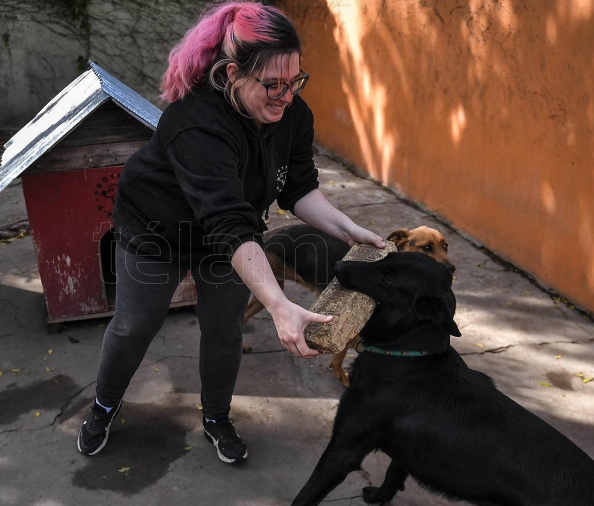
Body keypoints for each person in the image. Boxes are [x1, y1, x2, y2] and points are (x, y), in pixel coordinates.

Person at [77, 0, 385, 464]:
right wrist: (279, 305)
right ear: (232, 73)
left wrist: (351, 231)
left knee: (223, 329)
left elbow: (297, 189)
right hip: (157, 228)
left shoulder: (293, 115)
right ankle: (103, 406)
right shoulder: (196, 123)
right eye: (273, 85)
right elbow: (227, 220)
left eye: (295, 81)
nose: (286, 96)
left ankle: (216, 416)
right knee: (136, 324)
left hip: (226, 238)